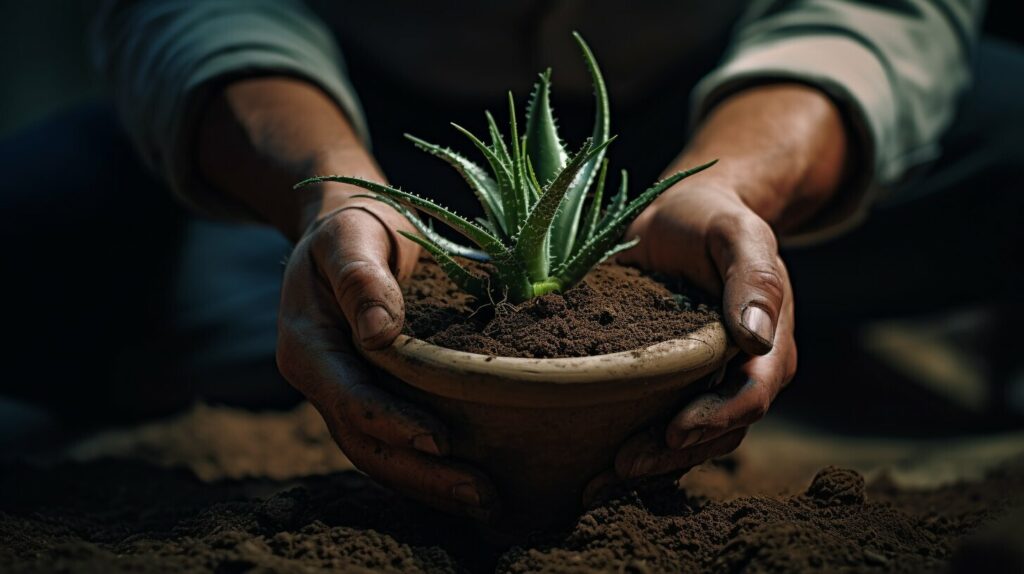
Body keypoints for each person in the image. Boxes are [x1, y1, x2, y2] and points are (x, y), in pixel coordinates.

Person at [4, 0, 1019, 520]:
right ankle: (318, 277)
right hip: (333, 121)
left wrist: (742, 182)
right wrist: (323, 183)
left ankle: (743, 259)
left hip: (734, 113)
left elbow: (890, 12)